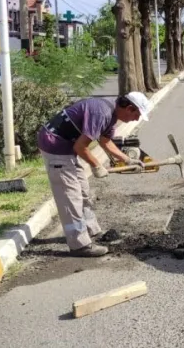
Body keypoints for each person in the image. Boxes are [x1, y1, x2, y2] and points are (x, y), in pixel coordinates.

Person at [37, 93, 151, 257]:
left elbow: (105, 141)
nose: (135, 119)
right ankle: (79, 244)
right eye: (136, 115)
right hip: (55, 145)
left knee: (83, 190)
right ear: (129, 108)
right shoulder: (101, 112)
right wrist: (97, 166)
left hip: (68, 147)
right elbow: (80, 147)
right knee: (71, 195)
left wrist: (127, 160)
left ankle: (90, 230)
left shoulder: (112, 113)